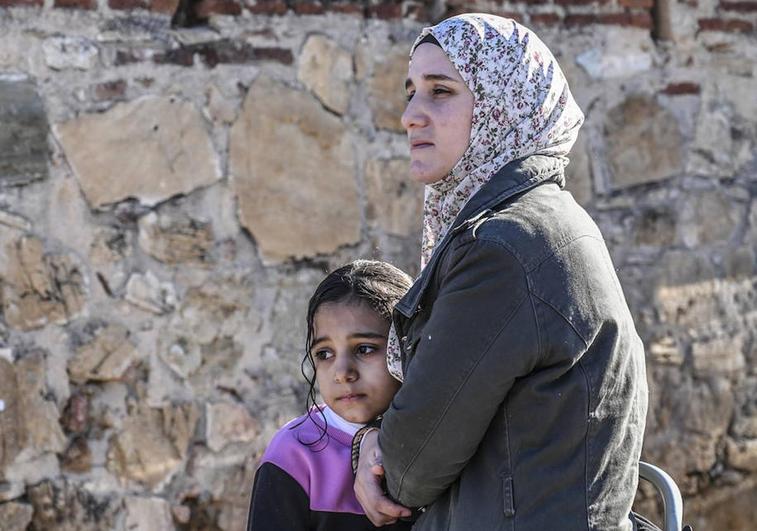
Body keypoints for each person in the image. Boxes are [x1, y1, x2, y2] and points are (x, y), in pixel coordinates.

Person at [352, 13, 651, 531]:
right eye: (411, 92)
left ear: (503, 108)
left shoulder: (503, 249)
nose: (410, 116)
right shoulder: (540, 222)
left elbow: (409, 468)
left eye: (440, 91)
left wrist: (374, 445)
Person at [246, 260, 414, 531]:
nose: (342, 373)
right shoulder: (295, 453)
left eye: (365, 349)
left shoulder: (440, 436)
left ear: (407, 345)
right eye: (324, 354)